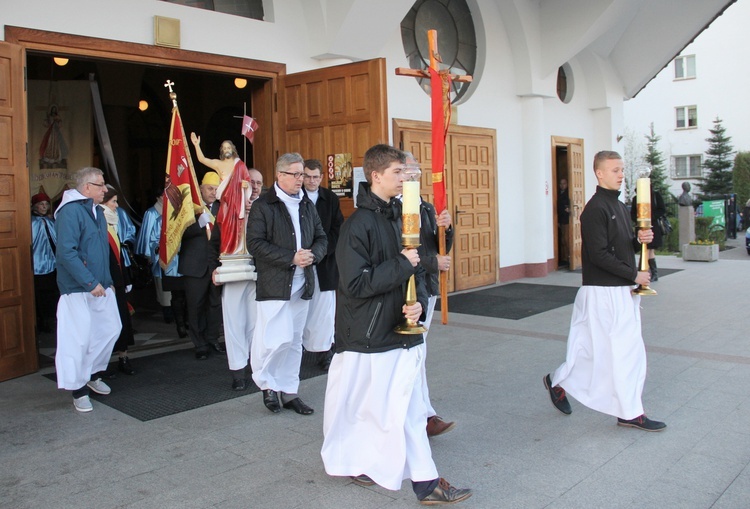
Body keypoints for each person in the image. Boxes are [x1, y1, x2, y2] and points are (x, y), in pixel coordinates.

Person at [321, 144, 472, 505]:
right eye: (397, 173)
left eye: (405, 173)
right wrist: (403, 265)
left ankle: (425, 482)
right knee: (362, 405)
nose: (405, 178)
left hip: (399, 330)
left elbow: (418, 268)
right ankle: (408, 476)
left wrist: (417, 304)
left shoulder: (405, 214)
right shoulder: (357, 224)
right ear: (375, 176)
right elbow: (355, 284)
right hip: (368, 334)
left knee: (401, 407)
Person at [544, 150, 666, 432]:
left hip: (622, 290)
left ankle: (625, 409)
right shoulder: (594, 209)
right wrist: (634, 274)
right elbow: (598, 255)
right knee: (606, 352)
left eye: (622, 169)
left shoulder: (620, 207)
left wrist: (640, 240)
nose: (621, 174)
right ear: (599, 173)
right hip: (602, 292)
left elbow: (623, 247)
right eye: (615, 170)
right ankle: (624, 409)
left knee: (620, 352)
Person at [247, 153, 327, 415]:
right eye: (296, 175)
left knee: (293, 340)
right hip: (275, 283)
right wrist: (290, 258)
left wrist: (313, 254)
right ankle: (268, 385)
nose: (300, 180)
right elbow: (255, 244)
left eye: (302, 175)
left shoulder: (306, 204)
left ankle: (290, 391)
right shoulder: (264, 205)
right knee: (274, 339)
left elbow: (321, 237)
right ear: (280, 175)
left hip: (303, 283)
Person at [54, 167, 122, 413]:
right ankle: (78, 390)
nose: (105, 189)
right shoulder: (70, 212)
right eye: (101, 185)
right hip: (77, 289)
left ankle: (92, 374)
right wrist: (89, 282)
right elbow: (66, 253)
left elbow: (101, 251)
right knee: (78, 339)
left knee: (110, 329)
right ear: (86, 188)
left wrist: (105, 281)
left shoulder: (96, 212)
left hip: (100, 286)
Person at [403, 152, 456, 438]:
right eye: (406, 171)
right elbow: (402, 255)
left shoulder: (424, 207)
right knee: (411, 356)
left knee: (419, 355)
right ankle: (422, 415)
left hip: (427, 288)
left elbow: (436, 243)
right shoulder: (392, 210)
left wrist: (445, 227)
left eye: (416, 172)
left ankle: (424, 413)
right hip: (404, 290)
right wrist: (431, 261)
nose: (412, 176)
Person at [210, 170, 264, 391]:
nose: (256, 186)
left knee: (256, 324)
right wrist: (215, 269)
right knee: (234, 325)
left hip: (259, 275)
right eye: (252, 182)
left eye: (260, 183)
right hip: (232, 276)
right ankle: (238, 372)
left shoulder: (269, 207)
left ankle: (257, 367)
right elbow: (213, 243)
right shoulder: (226, 208)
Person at [301, 159, 343, 372]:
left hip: (325, 261)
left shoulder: (330, 198)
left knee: (325, 309)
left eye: (315, 176)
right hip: (301, 260)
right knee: (301, 306)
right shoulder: (295, 196)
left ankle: (325, 351)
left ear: (322, 177)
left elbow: (337, 228)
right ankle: (300, 348)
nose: (311, 180)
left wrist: (322, 251)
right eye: (307, 176)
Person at [178, 171, 225, 360]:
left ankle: (213, 338)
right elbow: (177, 234)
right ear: (201, 189)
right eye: (209, 189)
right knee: (195, 306)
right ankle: (200, 344)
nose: (213, 192)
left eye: (216, 189)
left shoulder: (222, 208)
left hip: (216, 265)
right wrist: (197, 224)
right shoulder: (189, 208)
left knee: (215, 304)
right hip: (194, 266)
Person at [135, 188, 187, 337]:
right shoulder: (152, 213)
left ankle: (181, 317)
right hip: (162, 253)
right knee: (164, 286)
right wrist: (150, 253)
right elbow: (147, 235)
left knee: (179, 291)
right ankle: (167, 312)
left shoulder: (176, 212)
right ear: (159, 196)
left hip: (178, 256)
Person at [191, 134, 251, 255]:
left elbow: (247, 181)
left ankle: (238, 249)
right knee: (224, 224)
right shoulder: (218, 164)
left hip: (238, 202)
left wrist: (246, 185)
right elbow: (202, 159)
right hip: (226, 202)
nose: (226, 150)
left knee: (238, 224)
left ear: (233, 149)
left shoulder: (240, 165)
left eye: (228, 148)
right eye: (224, 148)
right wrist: (197, 145)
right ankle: (226, 249)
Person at [100, 185, 137, 375]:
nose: (116, 206)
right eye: (113, 202)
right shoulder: (96, 223)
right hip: (105, 282)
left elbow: (119, 253)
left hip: (118, 278)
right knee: (105, 323)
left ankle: (123, 358)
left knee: (122, 319)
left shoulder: (113, 222)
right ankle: (102, 365)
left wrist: (125, 276)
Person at [31, 192, 59, 333]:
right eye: (41, 204)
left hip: (53, 263)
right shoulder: (31, 222)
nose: (44, 207)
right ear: (35, 206)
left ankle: (52, 319)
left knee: (52, 293)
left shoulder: (50, 221)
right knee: (39, 295)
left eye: (46, 204)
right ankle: (42, 321)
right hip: (38, 265)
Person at [630, 186, 666, 281]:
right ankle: (647, 272)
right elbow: (633, 213)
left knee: (649, 249)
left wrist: (650, 217)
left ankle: (650, 272)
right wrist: (639, 220)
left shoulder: (655, 196)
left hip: (653, 227)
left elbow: (662, 209)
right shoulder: (636, 198)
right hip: (641, 226)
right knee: (645, 249)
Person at [558, 177, 571, 266]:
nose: (562, 186)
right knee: (562, 240)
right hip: (561, 219)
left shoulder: (568, 194)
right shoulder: (558, 194)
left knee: (566, 240)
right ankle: (564, 258)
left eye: (564, 183)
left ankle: (568, 258)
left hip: (567, 220)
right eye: (561, 184)